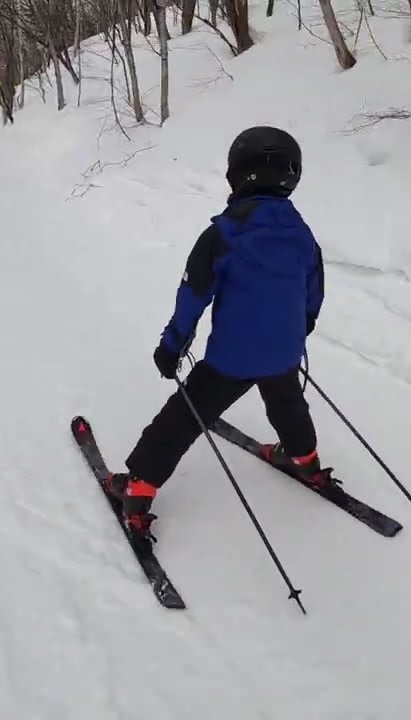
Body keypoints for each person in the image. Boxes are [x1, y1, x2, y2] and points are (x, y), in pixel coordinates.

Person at [104, 125, 330, 541]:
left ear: (236, 174)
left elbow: (192, 296)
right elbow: (313, 293)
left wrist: (171, 348)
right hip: (284, 351)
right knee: (287, 402)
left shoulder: (222, 235)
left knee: (181, 419)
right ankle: (306, 462)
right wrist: (298, 330)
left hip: (231, 360)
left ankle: (137, 490)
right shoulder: (302, 235)